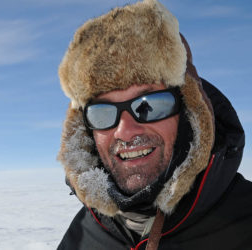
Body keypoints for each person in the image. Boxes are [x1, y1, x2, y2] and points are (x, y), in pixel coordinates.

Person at [56, 0, 252, 249]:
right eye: (103, 112)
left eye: (149, 105)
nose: (125, 131)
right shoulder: (82, 235)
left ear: (189, 110)